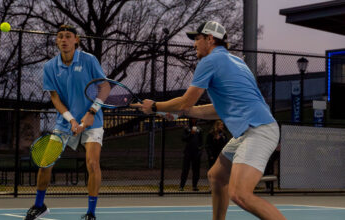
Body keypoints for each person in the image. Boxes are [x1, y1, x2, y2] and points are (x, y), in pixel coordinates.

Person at [132, 21, 286, 220]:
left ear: (210, 39)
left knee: (240, 194)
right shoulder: (236, 62)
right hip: (253, 129)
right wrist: (184, 112)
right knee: (217, 176)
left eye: (197, 38)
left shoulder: (210, 61)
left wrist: (154, 106)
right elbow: (217, 110)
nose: (194, 44)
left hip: (258, 130)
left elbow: (186, 101)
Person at [24, 25, 109, 220]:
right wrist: (71, 119)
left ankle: (91, 213)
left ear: (76, 40)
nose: (64, 40)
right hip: (64, 123)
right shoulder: (50, 67)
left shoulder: (89, 60)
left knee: (93, 164)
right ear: (56, 41)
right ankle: (39, 206)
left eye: (68, 36)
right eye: (60, 37)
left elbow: (104, 87)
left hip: (92, 120)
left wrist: (91, 112)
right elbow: (55, 98)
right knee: (45, 162)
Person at [179, 118, 203, 191]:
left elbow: (201, 141)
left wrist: (200, 150)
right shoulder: (187, 128)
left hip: (196, 153)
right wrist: (191, 134)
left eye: (195, 119)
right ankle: (181, 186)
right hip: (188, 152)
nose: (194, 120)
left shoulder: (199, 129)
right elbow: (183, 138)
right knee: (185, 170)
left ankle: (194, 186)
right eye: (192, 119)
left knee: (196, 170)